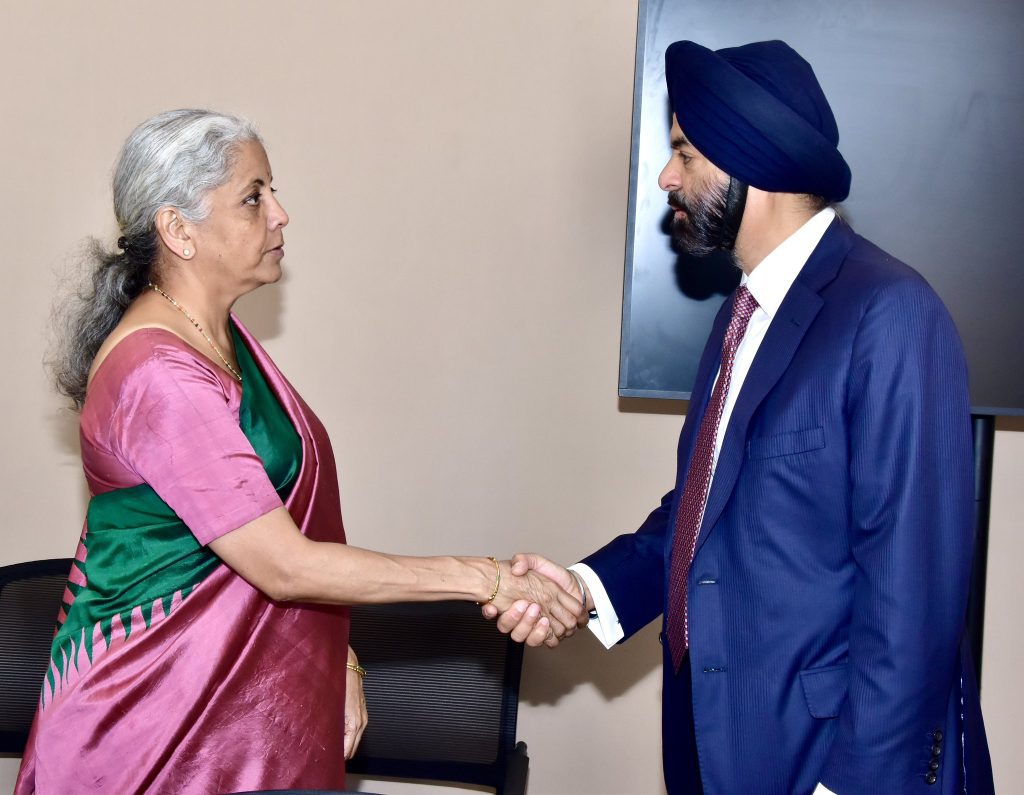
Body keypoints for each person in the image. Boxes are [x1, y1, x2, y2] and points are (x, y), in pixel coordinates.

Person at [16, 108, 584, 795]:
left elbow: (267, 527)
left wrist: (337, 657)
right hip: (154, 730)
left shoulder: (214, 336)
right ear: (177, 229)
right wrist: (488, 577)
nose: (280, 214)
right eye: (253, 197)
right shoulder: (157, 375)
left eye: (272, 191)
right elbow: (284, 564)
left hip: (234, 713)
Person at [488, 40, 995, 794]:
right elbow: (702, 519)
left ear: (748, 159)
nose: (666, 176)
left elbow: (913, 600)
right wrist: (585, 588)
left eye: (685, 153)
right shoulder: (741, 316)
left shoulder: (890, 314)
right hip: (714, 744)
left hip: (823, 765)